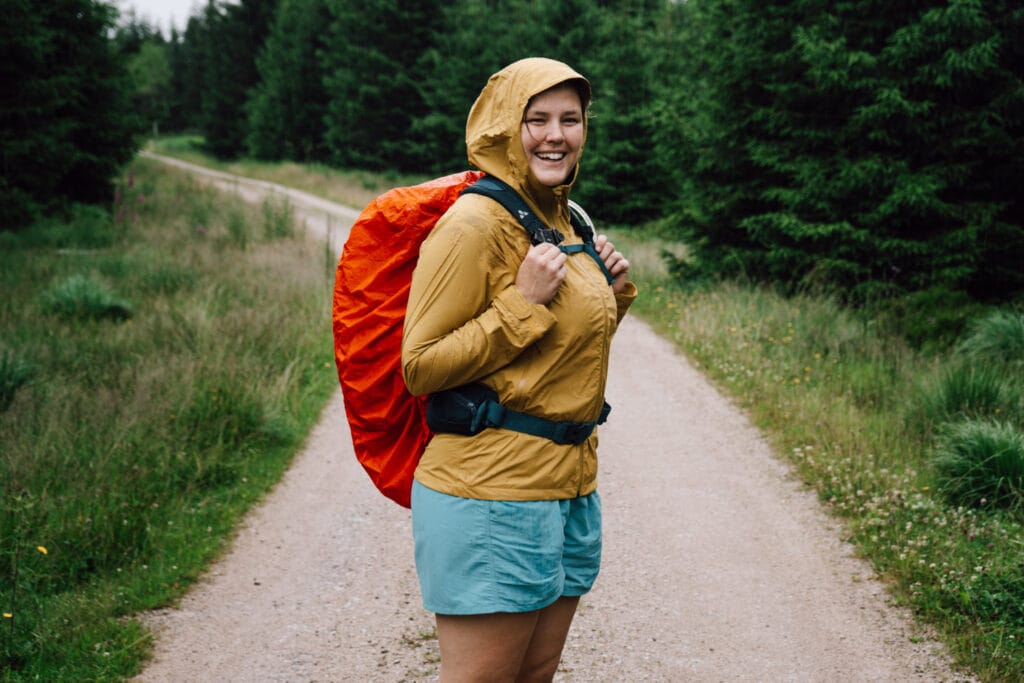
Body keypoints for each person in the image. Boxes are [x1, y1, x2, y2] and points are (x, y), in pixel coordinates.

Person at [401, 57, 637, 683]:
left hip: (566, 491)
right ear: (506, 126)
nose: (556, 134)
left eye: (571, 119)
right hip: (490, 496)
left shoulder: (569, 217)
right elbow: (420, 366)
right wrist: (520, 304)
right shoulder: (474, 224)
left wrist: (613, 294)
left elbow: (562, 356)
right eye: (537, 119)